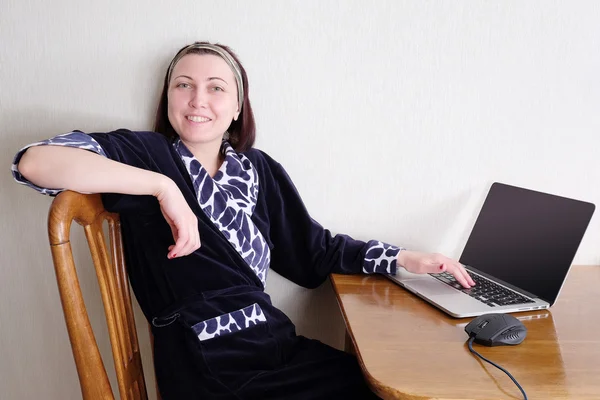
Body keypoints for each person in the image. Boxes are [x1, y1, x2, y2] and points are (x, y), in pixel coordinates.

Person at [12, 41, 475, 399]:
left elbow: (313, 254)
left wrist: (405, 258)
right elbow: (34, 163)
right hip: (205, 359)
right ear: (168, 97)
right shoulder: (145, 154)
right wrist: (162, 188)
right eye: (183, 85)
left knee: (385, 384)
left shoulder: (257, 169)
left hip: (272, 343)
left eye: (216, 87)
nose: (198, 99)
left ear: (237, 107)